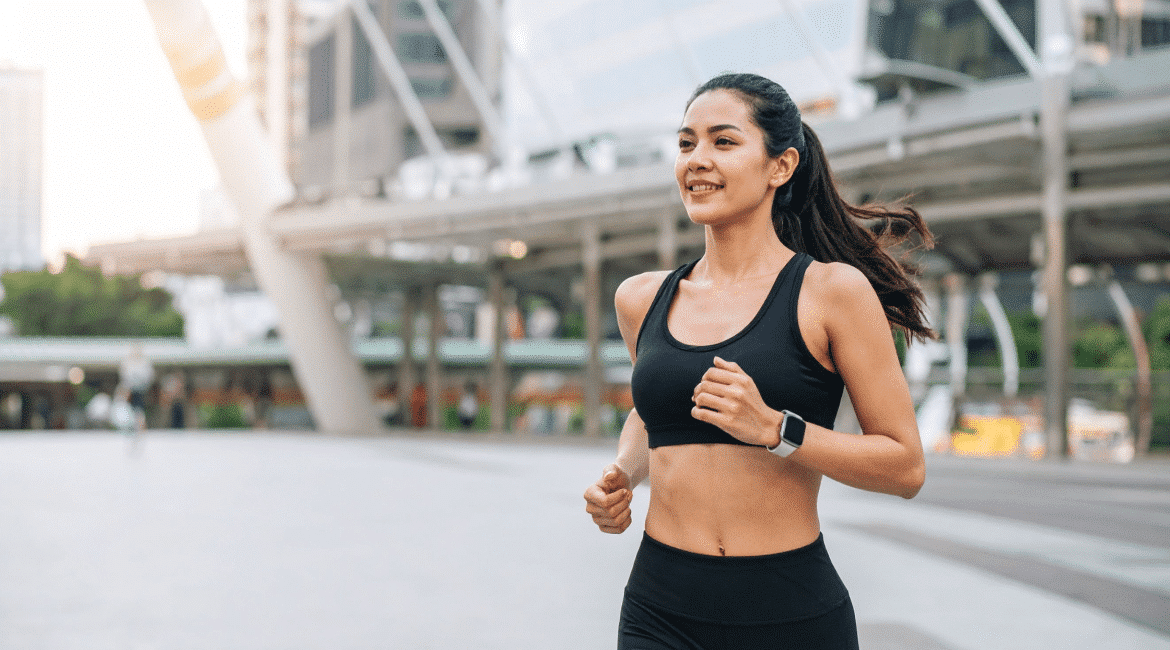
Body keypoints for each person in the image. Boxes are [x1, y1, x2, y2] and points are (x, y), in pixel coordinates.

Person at [582, 73, 934, 649]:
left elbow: (905, 467)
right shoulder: (640, 298)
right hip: (659, 610)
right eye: (686, 143)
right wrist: (622, 474)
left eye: (723, 141)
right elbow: (654, 413)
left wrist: (776, 430)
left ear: (781, 166)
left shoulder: (831, 293)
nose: (697, 159)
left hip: (789, 611)